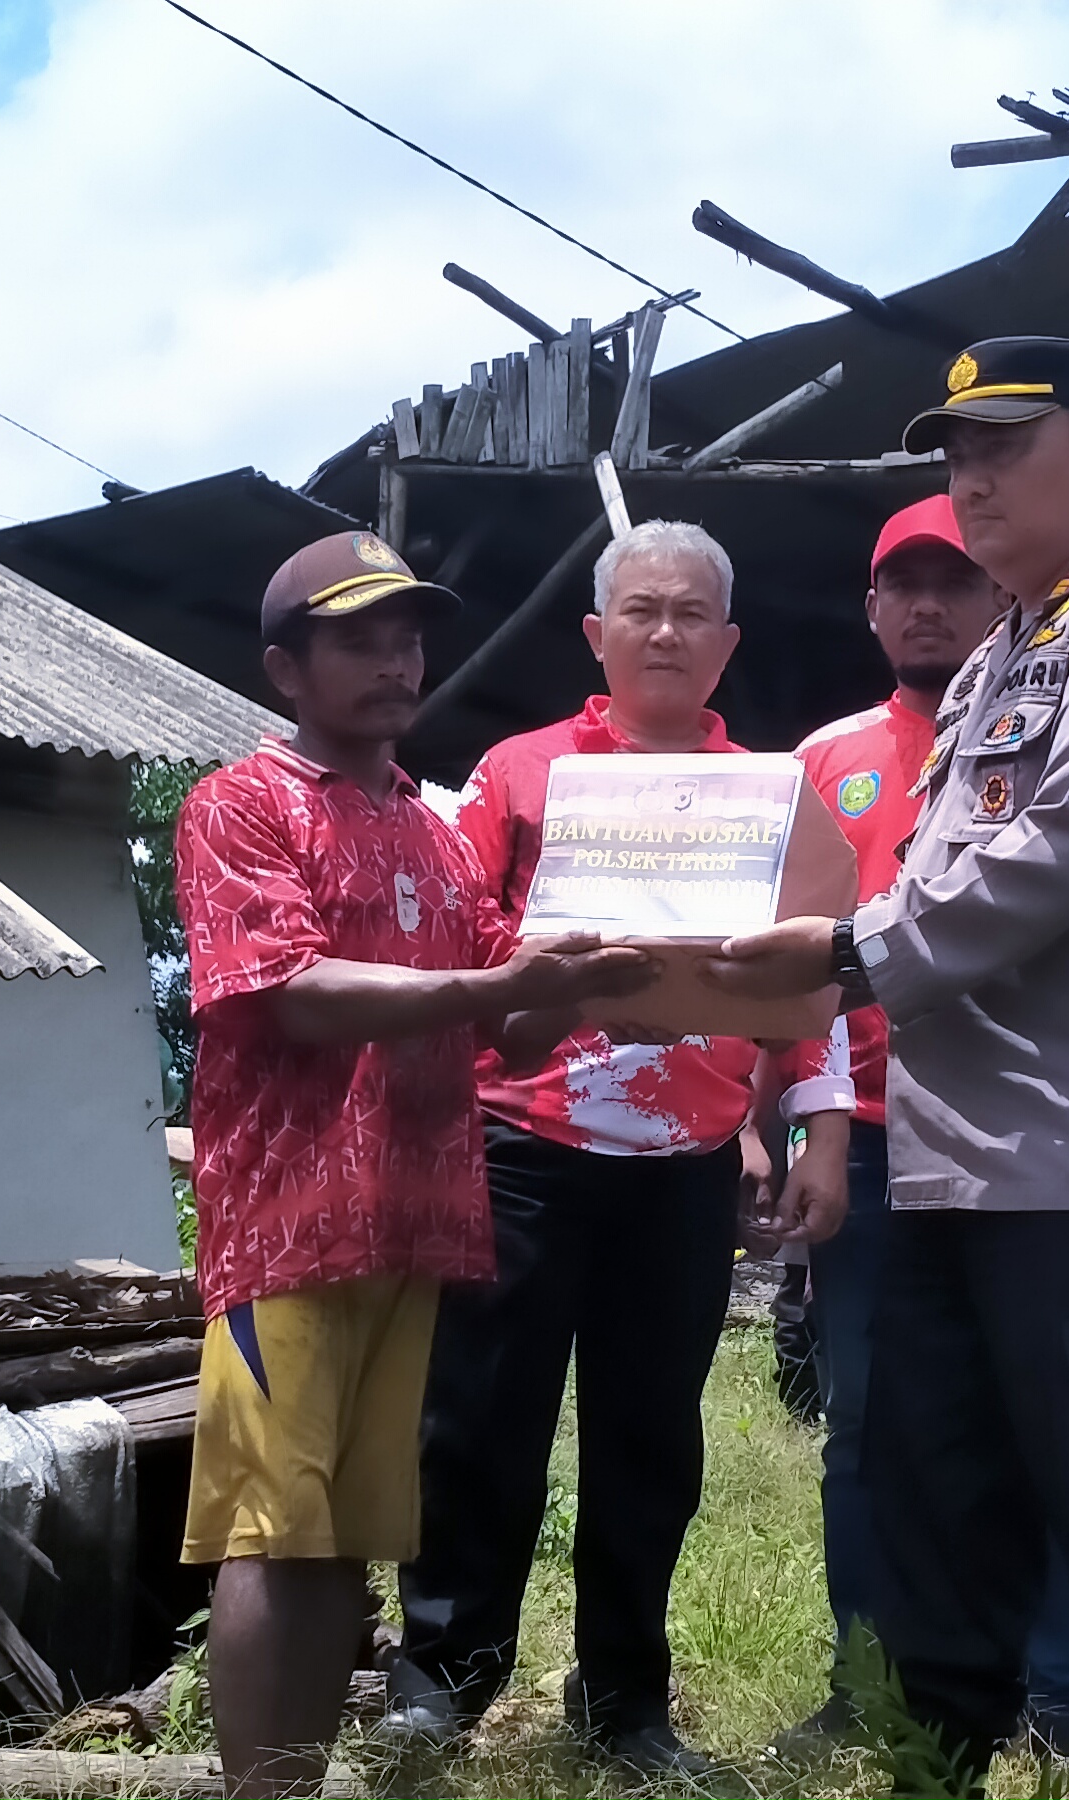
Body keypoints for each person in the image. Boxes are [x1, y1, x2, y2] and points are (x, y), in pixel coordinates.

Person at [708, 338, 1069, 1797]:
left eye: (1007, 443)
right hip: (951, 1155)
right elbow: (948, 865)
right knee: (935, 1498)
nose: (971, 476)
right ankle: (936, 1759)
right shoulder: (1002, 652)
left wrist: (840, 955)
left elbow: (1058, 857)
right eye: (954, 450)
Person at [171, 532, 658, 1800]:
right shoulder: (240, 803)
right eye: (357, 638)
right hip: (287, 1221)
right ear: (286, 666)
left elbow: (516, 1017)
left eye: (407, 635)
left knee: (347, 1539)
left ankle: (303, 1780)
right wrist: (503, 982)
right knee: (273, 1537)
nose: (396, 660)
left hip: (417, 1217)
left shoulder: (435, 834)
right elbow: (291, 994)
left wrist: (625, 977)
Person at [384, 519, 856, 1775]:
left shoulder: (771, 794)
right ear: (596, 634)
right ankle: (442, 1677)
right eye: (639, 610)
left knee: (651, 1440)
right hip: (520, 1143)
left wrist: (817, 1129)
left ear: (726, 644)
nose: (664, 631)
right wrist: (556, 984)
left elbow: (821, 973)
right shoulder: (518, 773)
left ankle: (625, 1706)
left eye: (690, 614)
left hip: (687, 1165)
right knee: (478, 1423)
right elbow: (453, 938)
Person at [777, 497, 1069, 1760]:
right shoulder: (821, 760)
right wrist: (797, 1120)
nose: (927, 605)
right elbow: (791, 967)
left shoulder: (1058, 732)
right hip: (864, 1127)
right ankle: (868, 1680)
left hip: (1020, 1125)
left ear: (996, 597)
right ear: (870, 610)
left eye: (953, 581)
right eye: (901, 585)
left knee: (1043, 1409)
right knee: (867, 1423)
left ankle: (1058, 1695)